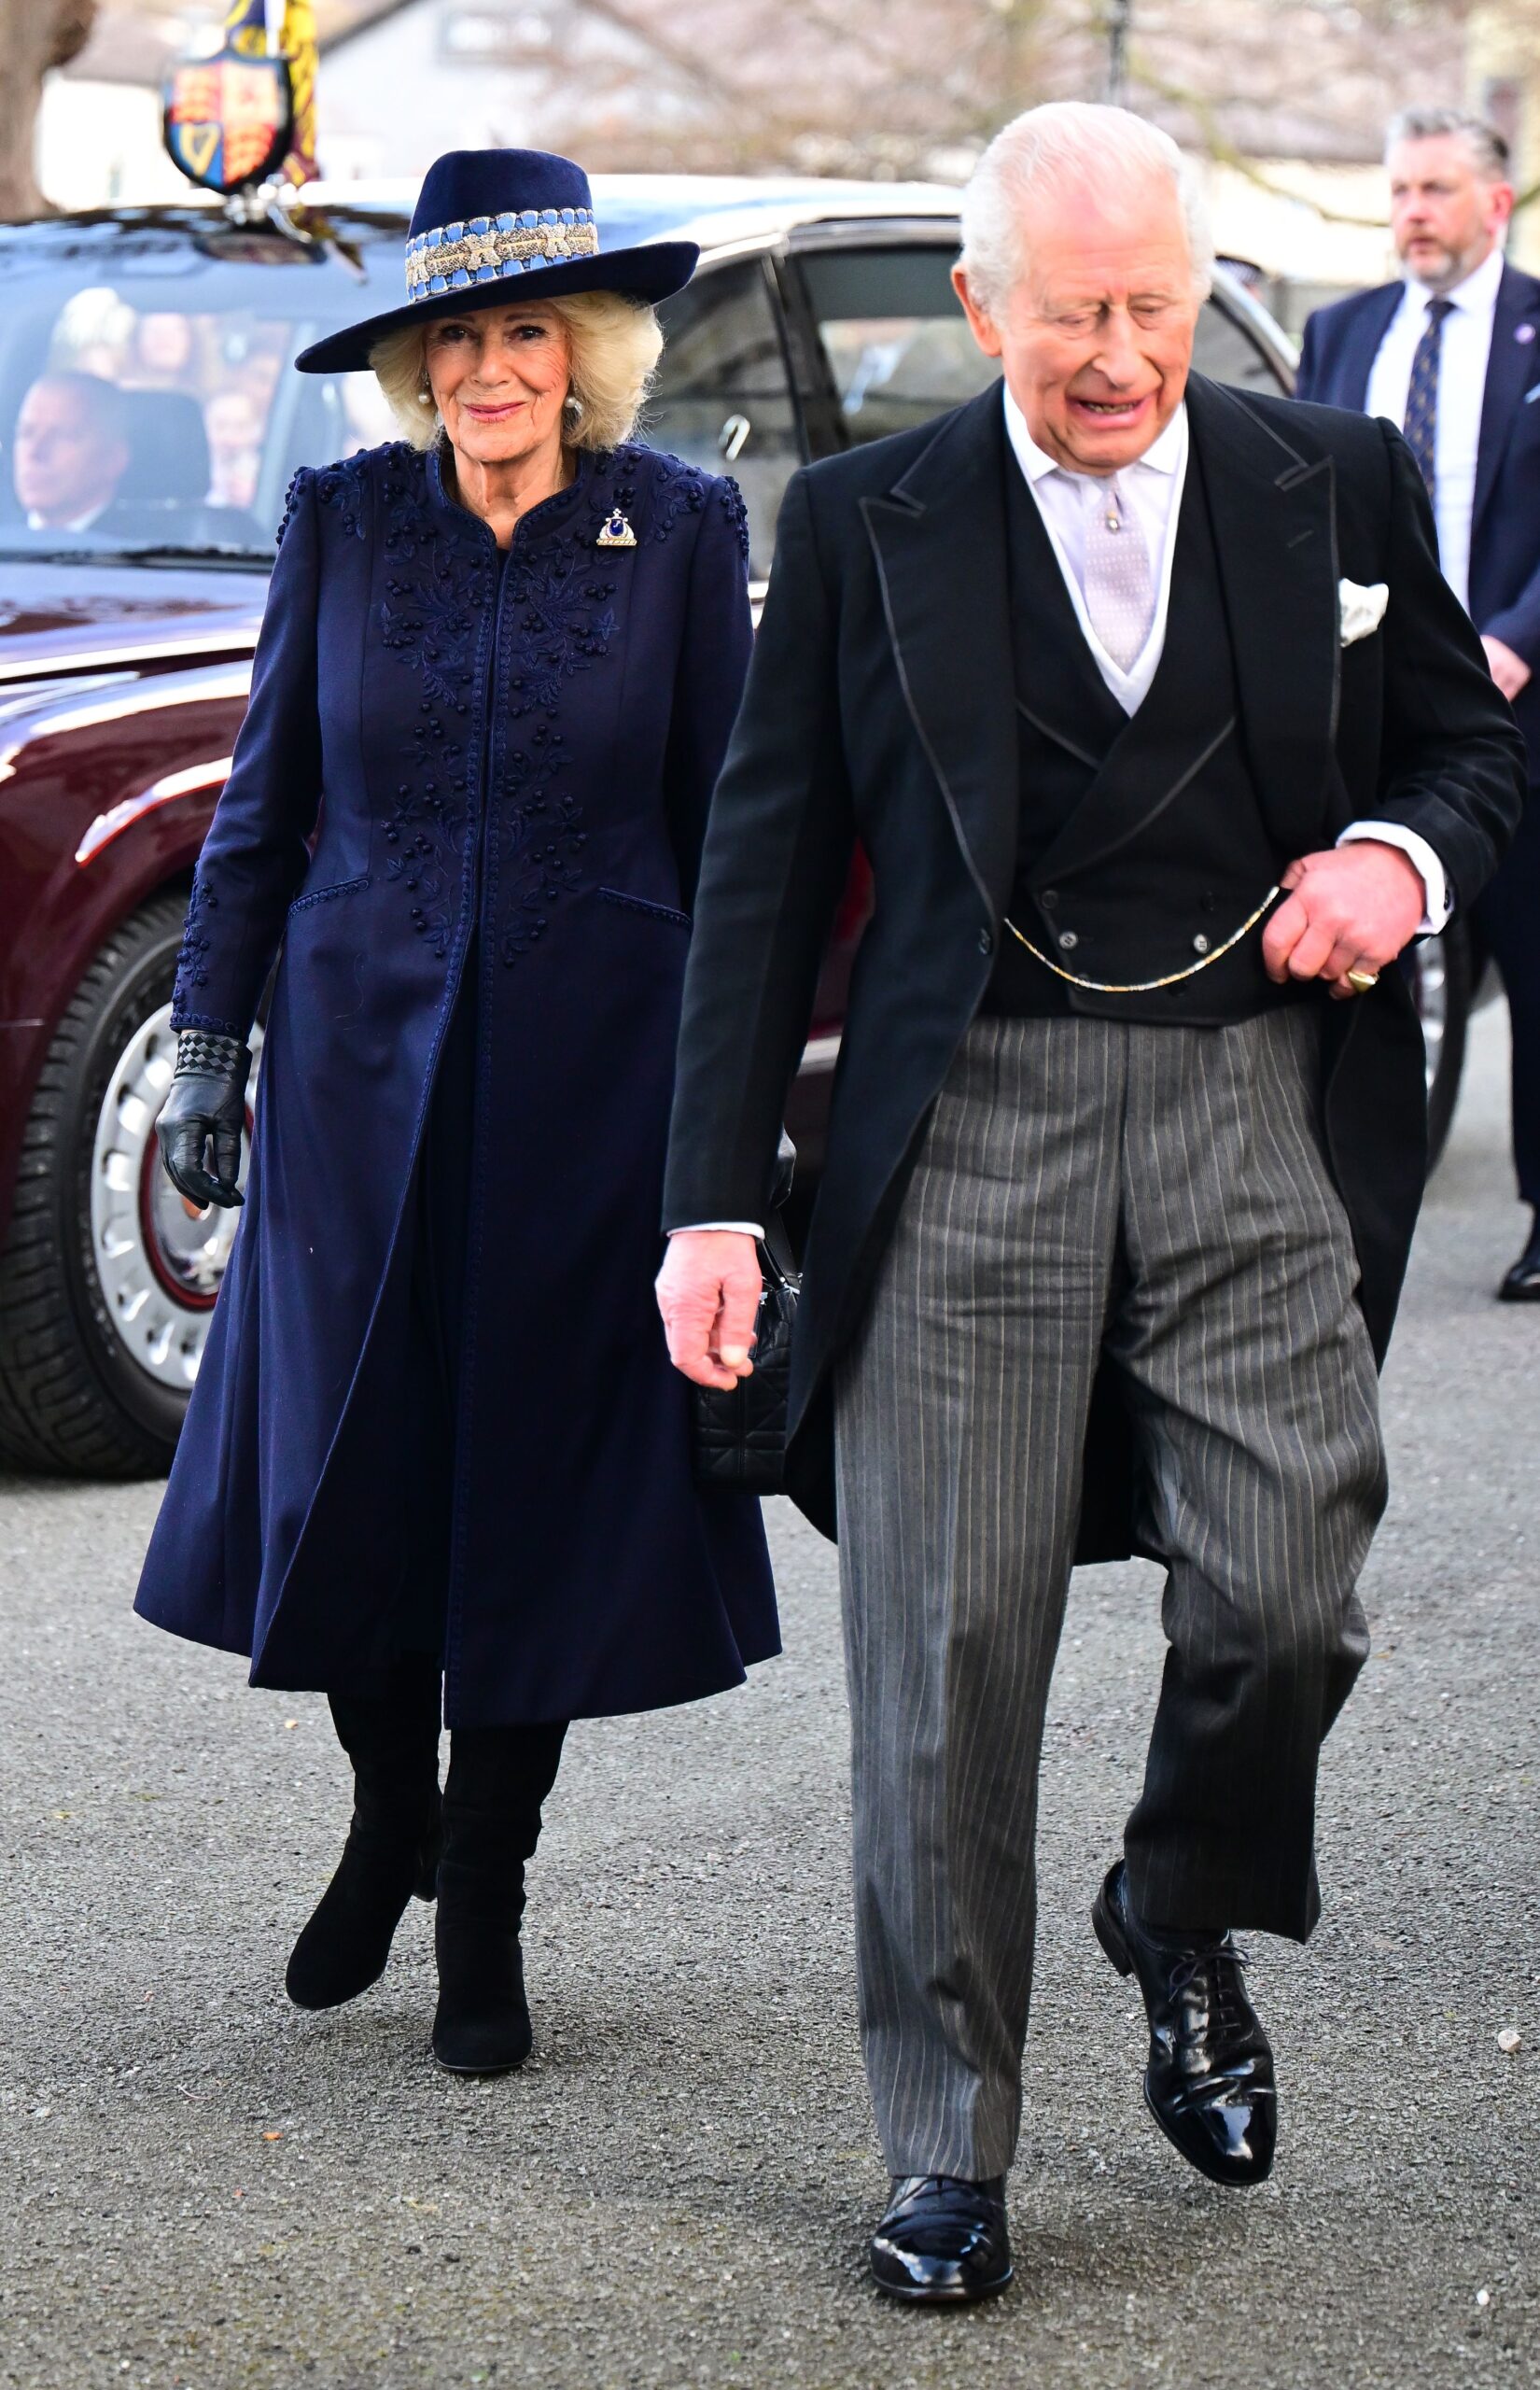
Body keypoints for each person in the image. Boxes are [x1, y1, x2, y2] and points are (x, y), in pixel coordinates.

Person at [656, 102, 1523, 2303]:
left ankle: (1178, 1893)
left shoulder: (1332, 478)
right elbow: (762, 874)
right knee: (943, 1656)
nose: (1122, 354)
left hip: (1251, 1098)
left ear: (1199, 289)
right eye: (1072, 317)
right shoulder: (861, 520)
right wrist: (709, 1206)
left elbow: (1473, 747)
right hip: (967, 1115)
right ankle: (946, 2144)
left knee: (1291, 1584)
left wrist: (1395, 860)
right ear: (980, 307)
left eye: (1154, 306)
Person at [134, 148, 778, 2076]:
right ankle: (385, 1815)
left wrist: (737, 1122)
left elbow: (733, 835)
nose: (490, 369)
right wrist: (207, 1044)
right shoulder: (343, 520)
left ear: (586, 350)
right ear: (416, 362)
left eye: (527, 333)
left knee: (535, 1483)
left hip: (597, 1091)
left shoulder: (679, 528)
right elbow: (262, 804)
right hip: (352, 1078)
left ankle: (484, 1881)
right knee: (366, 1462)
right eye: (457, 338)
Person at [1298, 108, 1540, 1300]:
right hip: (1367, 705)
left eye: (1435, 191)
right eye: (1399, 191)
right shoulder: (1340, 331)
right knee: (1367, 965)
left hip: (1516, 701)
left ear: (1495, 204)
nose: (1412, 214)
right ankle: (1336, 1204)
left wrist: (1514, 642)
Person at [11, 373, 131, 531]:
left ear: (113, 459)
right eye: (26, 433)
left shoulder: (146, 543)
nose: (34, 453)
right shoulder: (6, 535)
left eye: (63, 435)